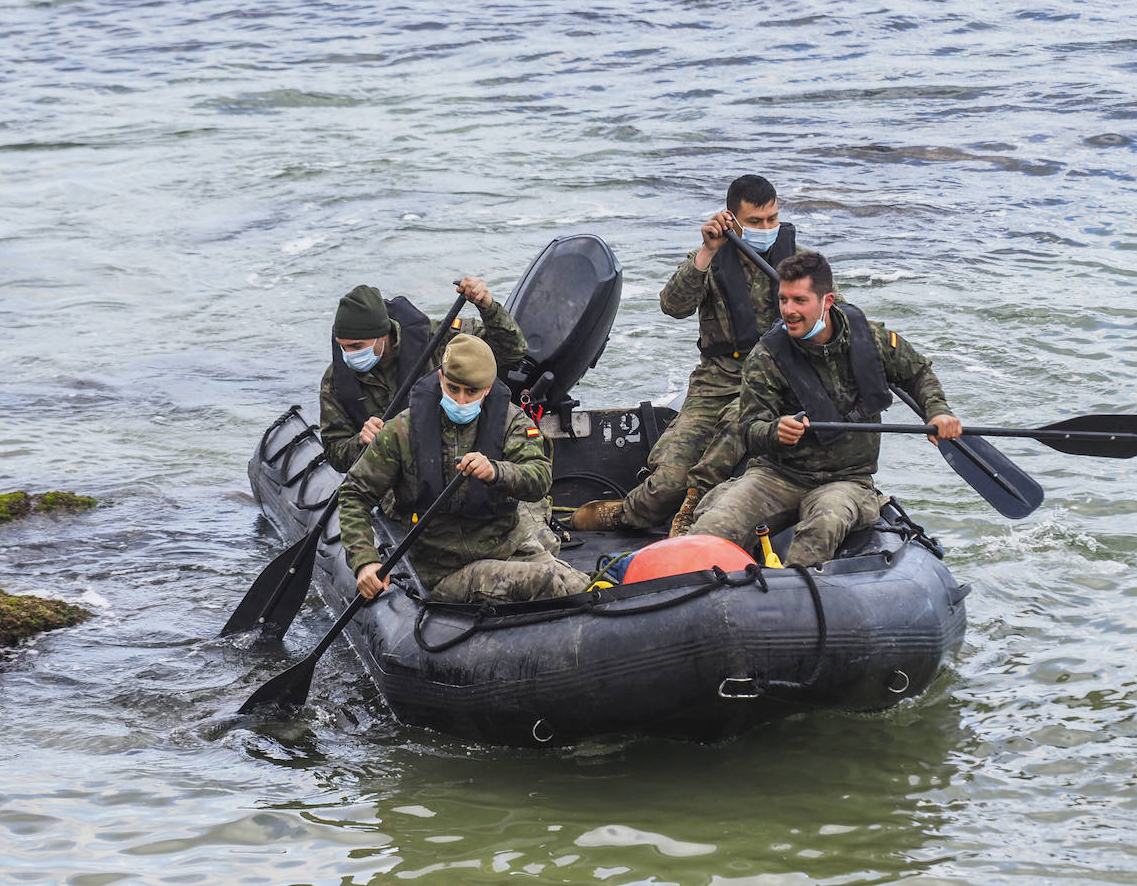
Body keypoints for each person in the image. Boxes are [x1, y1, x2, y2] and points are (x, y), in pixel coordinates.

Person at [683, 252, 962, 567]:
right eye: (783, 300)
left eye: (799, 300)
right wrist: (776, 431)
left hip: (847, 480)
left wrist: (937, 411)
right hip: (777, 475)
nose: (788, 310)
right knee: (713, 526)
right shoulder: (766, 357)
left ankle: (792, 597)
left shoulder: (871, 338)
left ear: (827, 300)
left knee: (824, 524)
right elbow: (750, 430)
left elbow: (918, 374)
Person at [571, 174, 810, 534]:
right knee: (667, 481)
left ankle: (694, 511)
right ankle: (627, 513)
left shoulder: (802, 266)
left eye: (772, 219)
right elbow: (673, 305)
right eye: (755, 222)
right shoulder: (711, 259)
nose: (766, 228)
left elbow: (833, 322)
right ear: (732, 220)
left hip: (777, 386)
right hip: (717, 383)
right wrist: (707, 251)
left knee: (743, 429)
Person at [339, 334, 591, 604]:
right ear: (440, 380)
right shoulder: (401, 431)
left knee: (583, 585)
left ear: (487, 388)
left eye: (471, 391)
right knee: (547, 581)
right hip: (446, 567)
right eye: (452, 388)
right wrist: (365, 560)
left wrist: (497, 472)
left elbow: (539, 478)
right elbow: (354, 494)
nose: (460, 400)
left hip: (508, 546)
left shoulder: (511, 421)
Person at [320, 278, 528, 474]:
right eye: (343, 346)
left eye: (357, 346)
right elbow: (335, 454)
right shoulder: (336, 380)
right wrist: (361, 442)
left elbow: (512, 352)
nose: (349, 354)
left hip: (463, 456)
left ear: (383, 334)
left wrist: (487, 307)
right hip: (398, 477)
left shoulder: (437, 339)